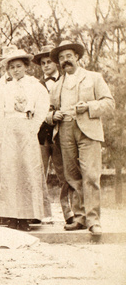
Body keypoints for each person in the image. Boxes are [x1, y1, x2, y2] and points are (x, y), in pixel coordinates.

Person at [48, 40, 115, 235]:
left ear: (77, 57)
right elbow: (49, 111)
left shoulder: (93, 78)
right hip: (65, 129)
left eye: (68, 56)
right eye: (61, 58)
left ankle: (94, 220)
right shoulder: (57, 85)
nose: (65, 60)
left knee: (91, 175)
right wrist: (53, 116)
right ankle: (80, 218)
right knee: (72, 176)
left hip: (88, 130)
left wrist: (89, 107)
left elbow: (109, 104)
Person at [0, 48, 51, 231]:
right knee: (8, 171)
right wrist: (4, 127)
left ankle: (27, 216)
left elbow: (43, 107)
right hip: (9, 130)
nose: (15, 70)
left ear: (26, 67)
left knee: (27, 170)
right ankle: (9, 215)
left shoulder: (35, 86)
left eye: (19, 66)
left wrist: (33, 126)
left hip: (26, 130)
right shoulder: (4, 87)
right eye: (12, 67)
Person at [33, 44, 74, 225]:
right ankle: (40, 212)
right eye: (43, 63)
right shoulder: (36, 85)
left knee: (64, 174)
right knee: (38, 173)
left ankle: (69, 212)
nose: (46, 65)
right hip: (41, 136)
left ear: (56, 63)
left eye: (49, 62)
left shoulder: (66, 82)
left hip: (61, 135)